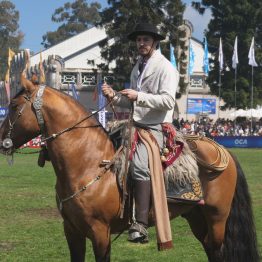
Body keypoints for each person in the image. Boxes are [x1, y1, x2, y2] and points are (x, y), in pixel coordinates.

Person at [102, 21, 179, 243]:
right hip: (134, 125)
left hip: (156, 127)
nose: (141, 43)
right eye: (138, 40)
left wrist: (139, 96)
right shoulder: (139, 66)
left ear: (154, 42)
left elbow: (167, 101)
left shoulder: (165, 67)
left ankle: (141, 224)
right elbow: (131, 103)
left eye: (145, 39)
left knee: (139, 165)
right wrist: (114, 96)